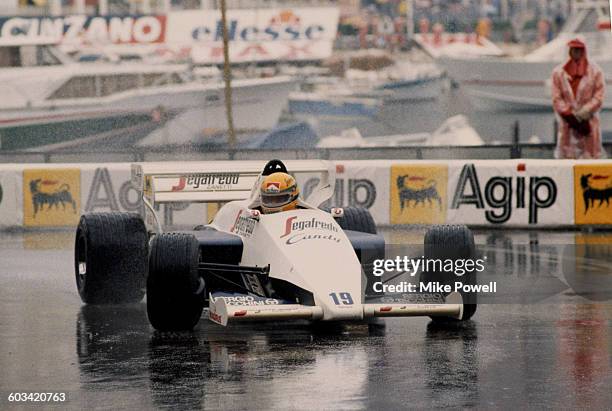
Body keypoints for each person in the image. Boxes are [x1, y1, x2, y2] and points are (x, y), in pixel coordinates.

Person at [551, 38, 605, 159]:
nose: (576, 52)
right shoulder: (558, 73)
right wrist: (569, 114)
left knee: (590, 159)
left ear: (584, 50)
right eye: (573, 49)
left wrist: (585, 111)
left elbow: (599, 96)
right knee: (567, 160)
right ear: (569, 51)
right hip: (567, 123)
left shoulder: (595, 72)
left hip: (588, 123)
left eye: (579, 49)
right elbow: (556, 97)